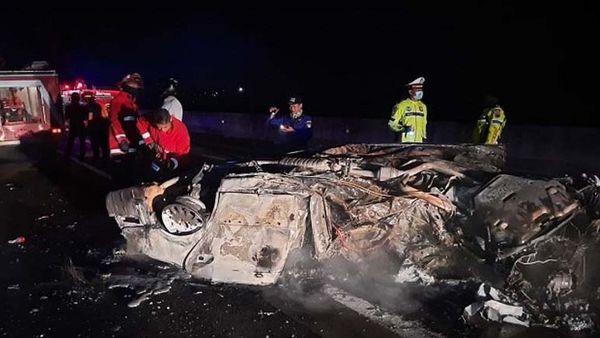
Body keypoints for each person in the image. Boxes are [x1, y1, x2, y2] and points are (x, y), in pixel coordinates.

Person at [138, 108, 190, 175]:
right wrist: (149, 141)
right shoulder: (150, 120)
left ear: (170, 120)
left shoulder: (180, 130)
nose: (162, 130)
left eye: (165, 127)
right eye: (159, 127)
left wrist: (172, 162)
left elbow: (183, 152)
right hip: (155, 156)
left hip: (172, 161)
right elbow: (140, 123)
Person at [108, 73, 144, 157]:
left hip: (131, 142)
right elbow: (114, 121)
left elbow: (138, 123)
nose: (137, 91)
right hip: (120, 146)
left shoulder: (132, 104)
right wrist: (122, 140)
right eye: (136, 88)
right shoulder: (119, 101)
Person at [388, 77, 428, 143]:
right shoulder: (401, 105)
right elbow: (391, 124)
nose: (420, 92)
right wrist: (403, 129)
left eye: (421, 89)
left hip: (420, 144)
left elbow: (424, 125)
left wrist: (424, 138)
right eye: (417, 89)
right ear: (410, 91)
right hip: (405, 143)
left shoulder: (423, 106)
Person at [82, 91, 109, 161]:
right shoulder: (98, 105)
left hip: (94, 126)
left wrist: (87, 126)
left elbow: (90, 116)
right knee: (103, 143)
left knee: (95, 142)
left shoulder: (87, 106)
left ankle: (97, 157)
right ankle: (106, 157)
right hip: (102, 125)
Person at [64, 92, 87, 160]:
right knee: (82, 142)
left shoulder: (68, 107)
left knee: (70, 142)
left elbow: (66, 117)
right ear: (78, 99)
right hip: (81, 125)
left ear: (71, 98)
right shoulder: (82, 107)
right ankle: (82, 156)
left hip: (73, 125)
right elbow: (86, 117)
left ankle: (67, 156)